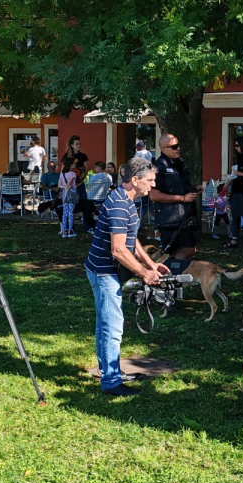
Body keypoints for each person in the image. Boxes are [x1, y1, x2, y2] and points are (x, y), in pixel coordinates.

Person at [85, 156, 169, 396]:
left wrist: (151, 264)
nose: (153, 185)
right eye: (150, 180)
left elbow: (131, 238)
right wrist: (144, 274)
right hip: (103, 272)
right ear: (134, 179)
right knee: (111, 328)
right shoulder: (119, 205)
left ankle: (110, 372)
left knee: (105, 325)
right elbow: (119, 250)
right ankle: (111, 382)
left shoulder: (128, 200)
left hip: (104, 269)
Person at [150, 134, 203, 260]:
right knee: (175, 251)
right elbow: (154, 195)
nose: (178, 148)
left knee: (190, 249)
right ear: (163, 149)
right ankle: (170, 269)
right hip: (170, 218)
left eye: (178, 145)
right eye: (174, 147)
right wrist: (183, 198)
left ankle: (176, 269)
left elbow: (178, 186)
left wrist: (193, 188)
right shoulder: (159, 166)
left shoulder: (180, 163)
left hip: (184, 216)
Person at [63, 135, 97, 233]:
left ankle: (88, 226)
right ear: (72, 145)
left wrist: (81, 181)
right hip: (69, 184)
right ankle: (69, 227)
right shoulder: (66, 156)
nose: (79, 145)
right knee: (69, 204)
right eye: (76, 144)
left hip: (79, 183)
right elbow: (63, 170)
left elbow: (85, 170)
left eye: (79, 144)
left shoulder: (83, 156)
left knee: (85, 204)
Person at [59, 157, 77, 238]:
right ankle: (70, 230)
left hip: (64, 192)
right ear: (70, 164)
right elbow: (68, 186)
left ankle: (64, 231)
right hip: (71, 193)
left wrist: (64, 194)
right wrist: (65, 196)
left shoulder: (62, 174)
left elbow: (59, 185)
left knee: (65, 212)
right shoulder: (72, 174)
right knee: (70, 212)